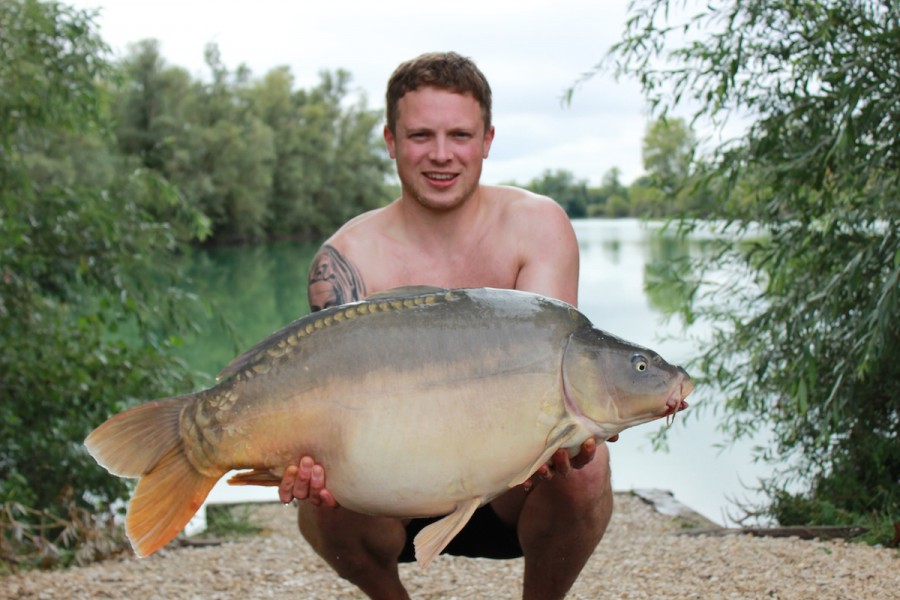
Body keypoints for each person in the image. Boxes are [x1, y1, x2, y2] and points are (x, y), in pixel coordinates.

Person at [278, 51, 613, 600]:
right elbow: (333, 406)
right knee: (322, 498)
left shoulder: (537, 226)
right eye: (420, 136)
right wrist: (306, 459)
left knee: (586, 469)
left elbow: (549, 378)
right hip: (389, 487)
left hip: (512, 484)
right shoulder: (347, 258)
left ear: (487, 140)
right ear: (390, 141)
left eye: (460, 135)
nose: (441, 155)